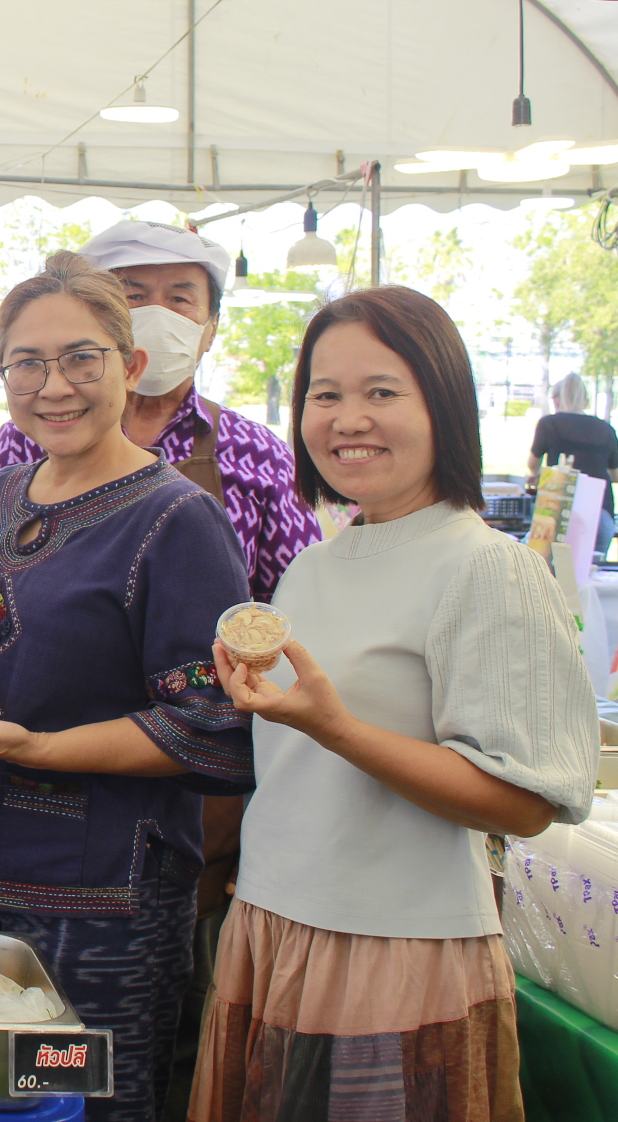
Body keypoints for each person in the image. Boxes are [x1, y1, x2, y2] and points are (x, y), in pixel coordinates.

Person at [192, 287, 598, 1122]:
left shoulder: (486, 565)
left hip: (392, 948)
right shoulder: (315, 565)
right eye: (325, 395)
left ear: (443, 404)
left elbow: (524, 803)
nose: (348, 420)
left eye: (381, 392)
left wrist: (337, 729)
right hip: (274, 927)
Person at [0, 253, 255, 1122]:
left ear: (131, 366)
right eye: (28, 363)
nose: (54, 386)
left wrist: (41, 748)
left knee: (83, 1106)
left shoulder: (176, 520)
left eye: (81, 359)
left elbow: (210, 721)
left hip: (101, 904)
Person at [0, 221, 320, 602]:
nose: (158, 314)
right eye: (135, 296)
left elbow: (300, 600)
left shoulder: (260, 453)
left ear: (212, 329)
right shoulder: (25, 438)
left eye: (180, 299)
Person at [527, 372, 618, 558]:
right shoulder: (606, 429)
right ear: (586, 400)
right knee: (591, 568)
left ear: (558, 399)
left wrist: (537, 475)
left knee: (546, 567)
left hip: (558, 512)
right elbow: (615, 475)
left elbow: (532, 464)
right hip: (600, 513)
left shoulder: (549, 424)